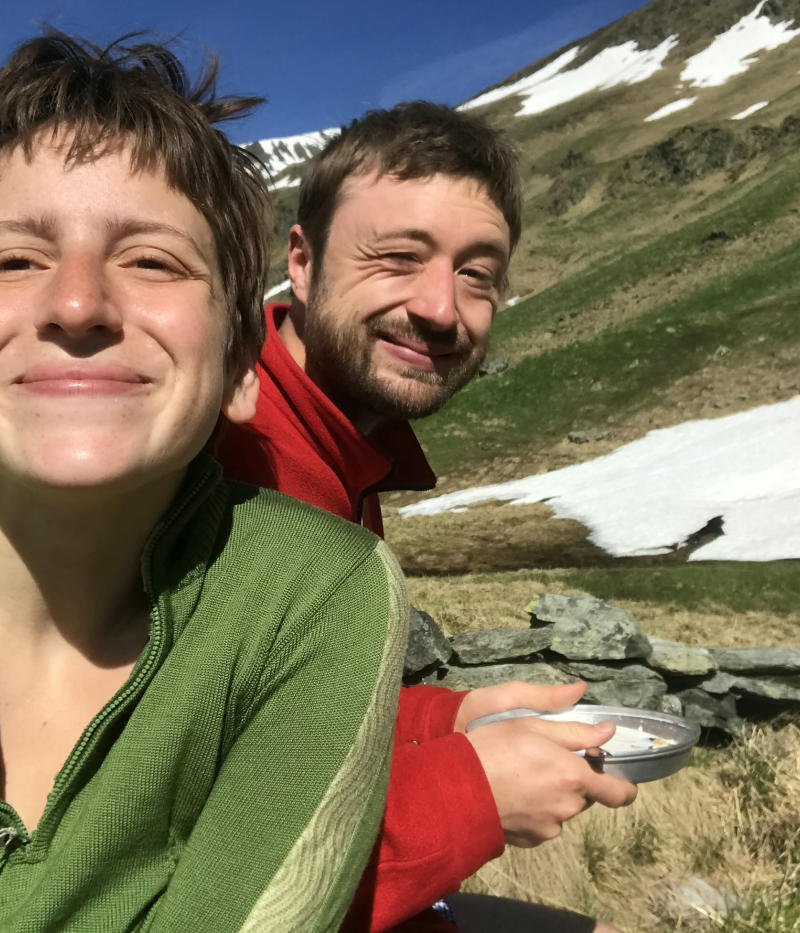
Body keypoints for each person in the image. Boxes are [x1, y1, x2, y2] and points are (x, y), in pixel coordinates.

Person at [0, 34, 408, 932]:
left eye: (154, 261)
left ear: (244, 367)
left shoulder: (315, 594)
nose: (79, 303)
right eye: (12, 260)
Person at [216, 102, 638, 932]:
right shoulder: (220, 459)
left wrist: (454, 718)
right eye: (399, 256)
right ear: (300, 262)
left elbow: (296, 726)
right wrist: (471, 792)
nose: (442, 309)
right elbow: (201, 847)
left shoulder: (343, 450)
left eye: (478, 274)